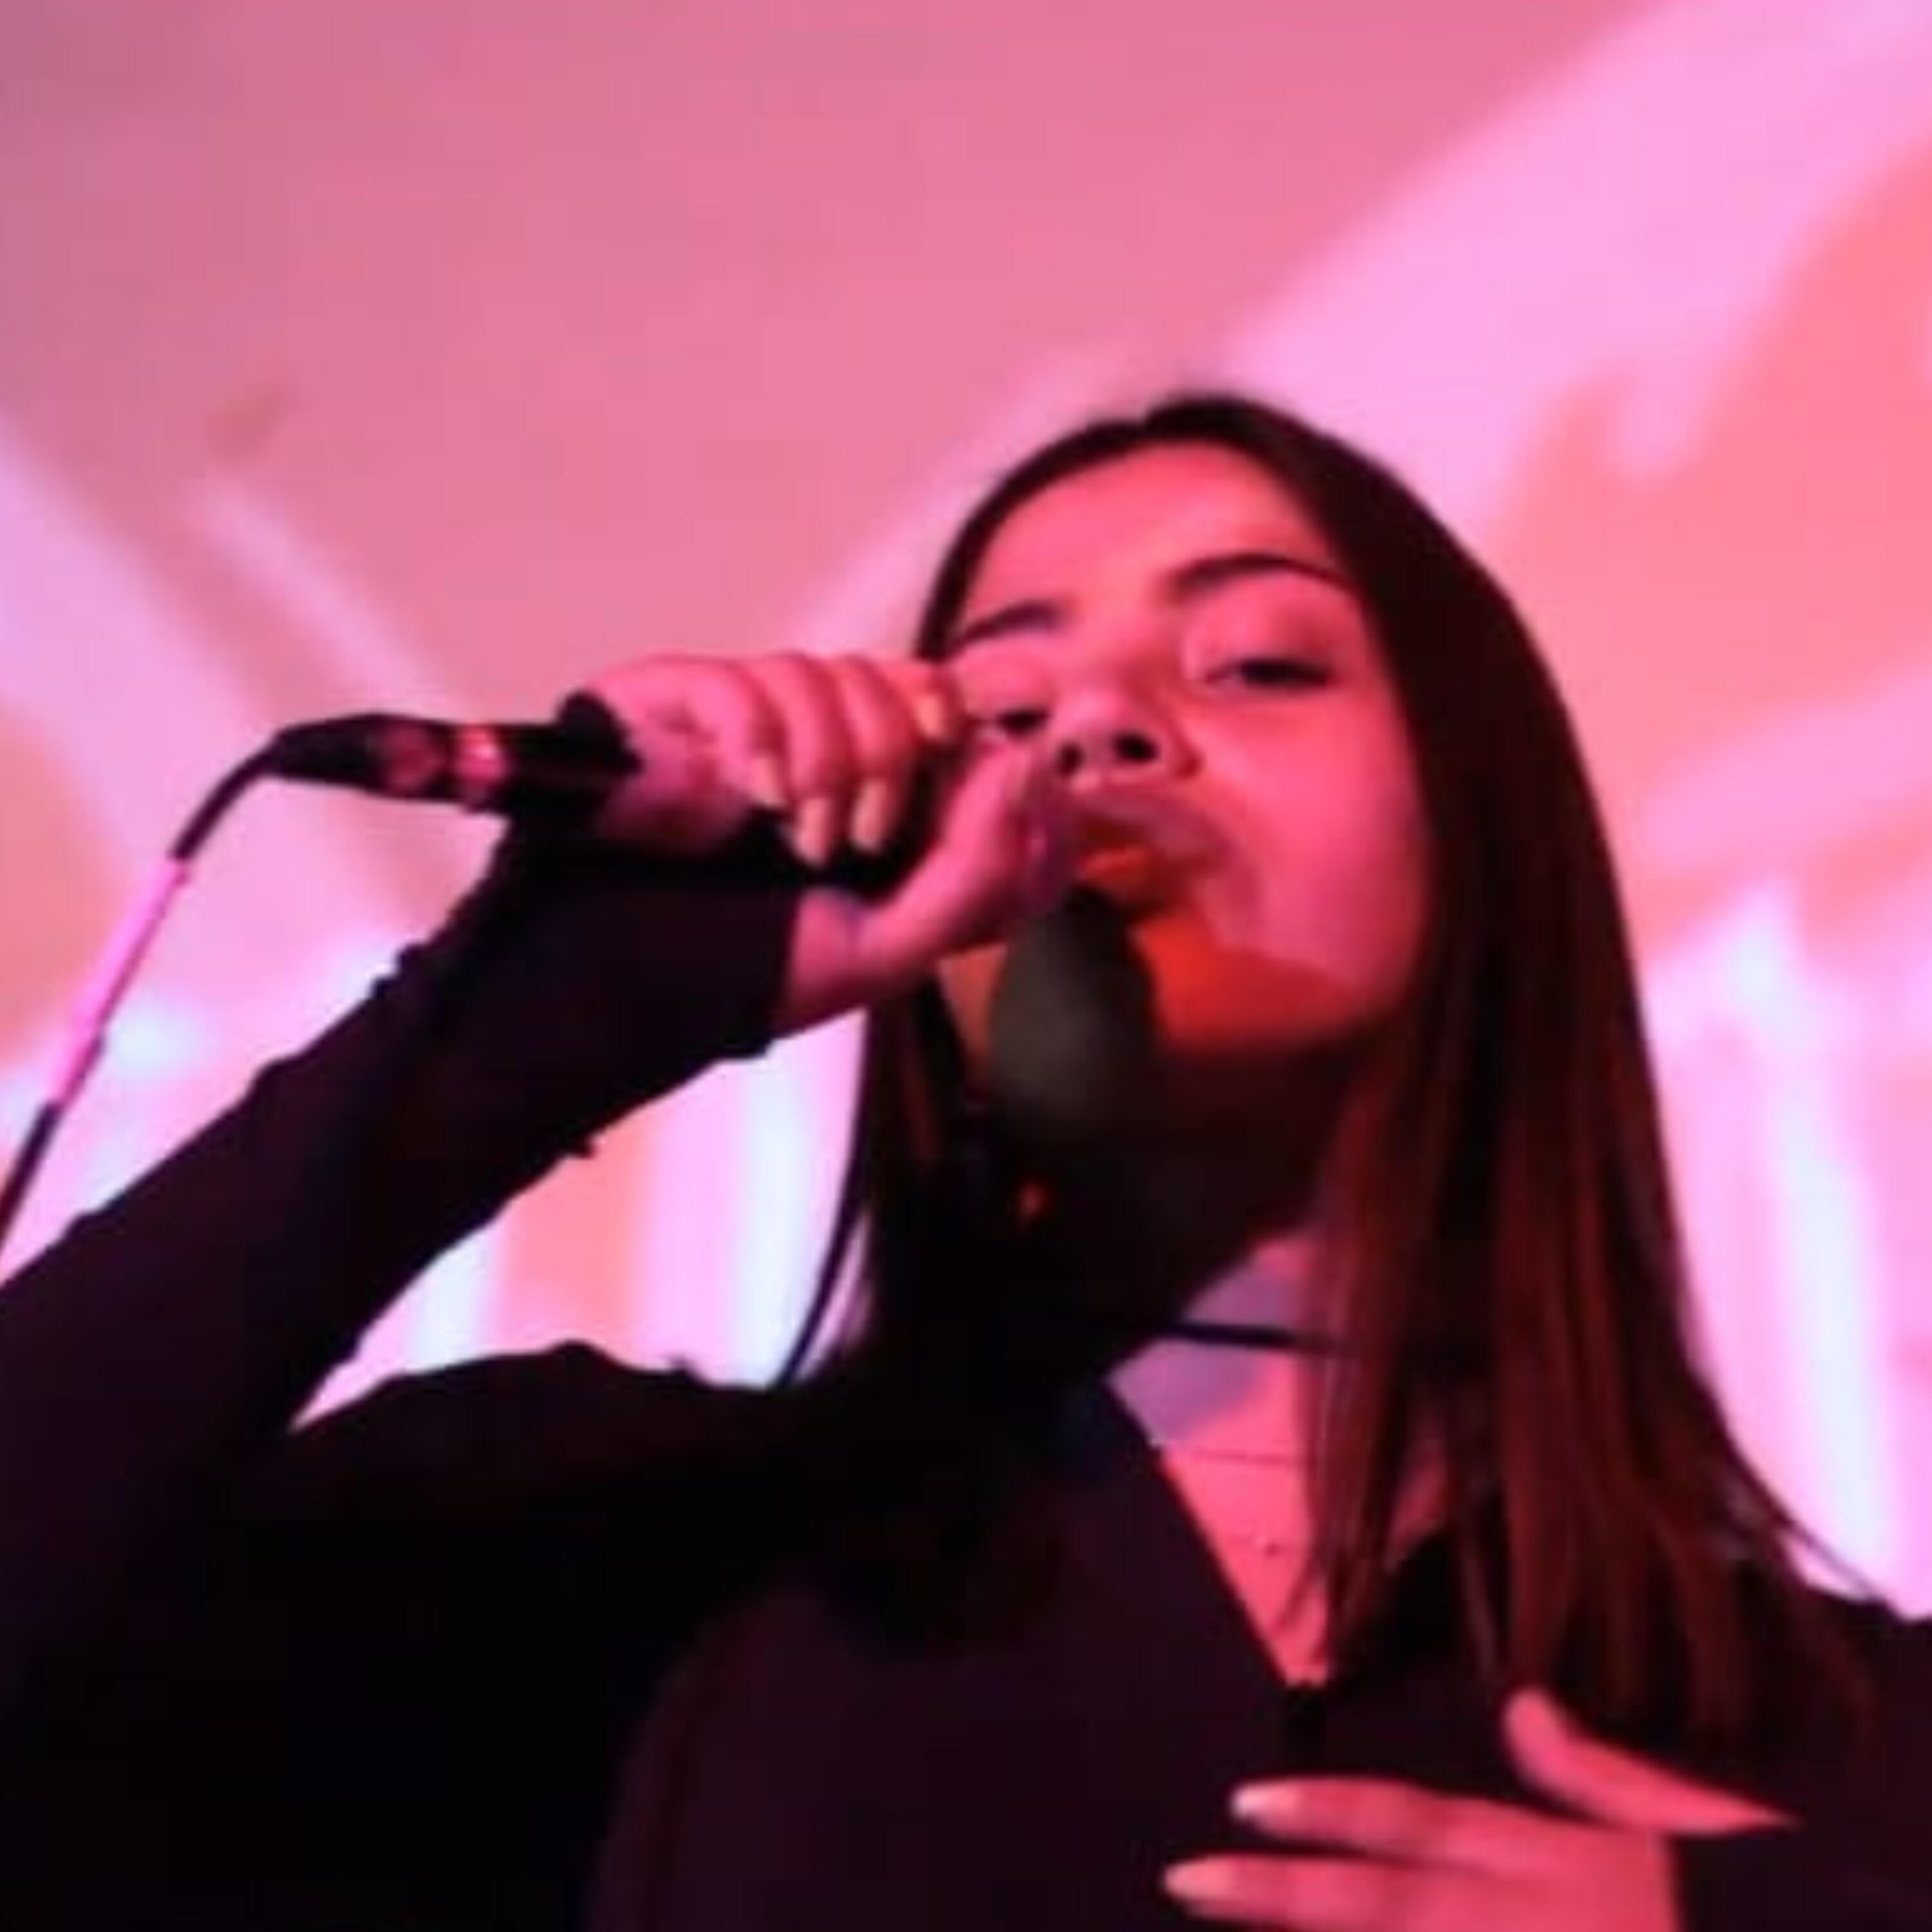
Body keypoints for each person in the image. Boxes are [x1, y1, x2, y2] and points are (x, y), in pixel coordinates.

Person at [0, 392, 1926, 1931]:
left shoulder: (1856, 1761)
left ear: (1491, 830)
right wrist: (545, 1011)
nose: (1096, 725)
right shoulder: (568, 1547)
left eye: (1257, 663)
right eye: (1000, 711)